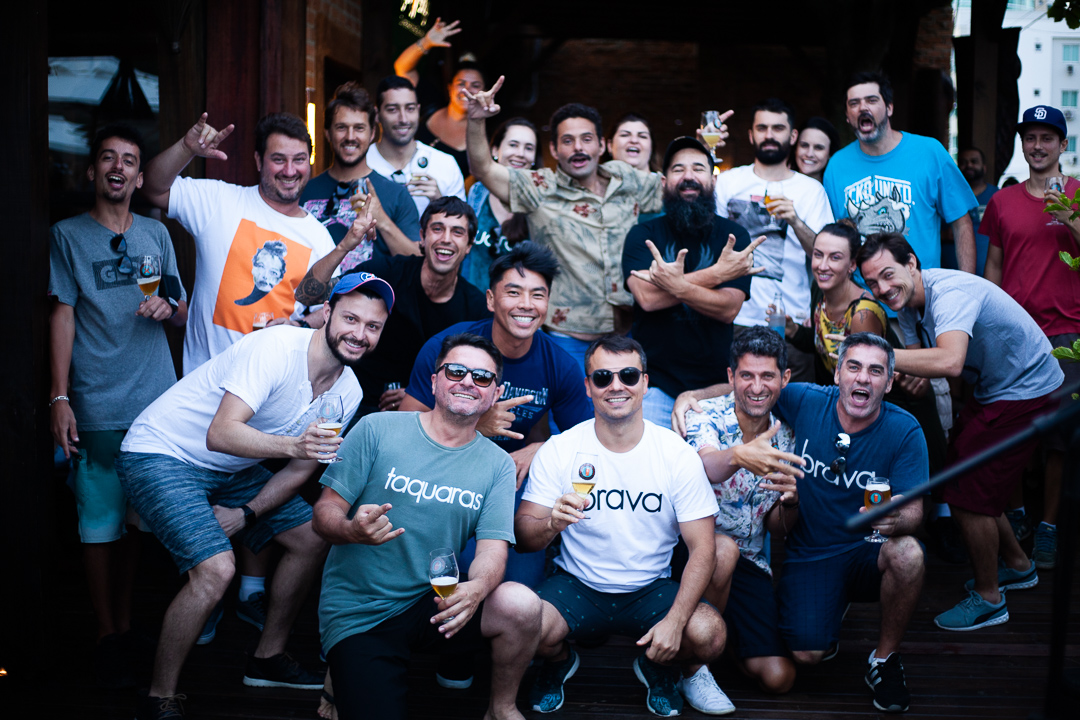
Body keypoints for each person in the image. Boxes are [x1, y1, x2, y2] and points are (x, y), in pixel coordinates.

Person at [117, 272, 393, 720]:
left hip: (230, 469)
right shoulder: (275, 349)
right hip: (161, 452)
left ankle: (267, 658)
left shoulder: (350, 391)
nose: (359, 334)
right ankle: (159, 696)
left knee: (312, 537)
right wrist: (292, 446)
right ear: (327, 313)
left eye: (372, 326)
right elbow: (221, 433)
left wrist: (246, 513)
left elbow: (301, 469)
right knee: (217, 570)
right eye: (351, 318)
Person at [674, 332, 929, 714]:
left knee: (908, 553)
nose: (862, 378)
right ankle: (698, 663)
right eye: (854, 367)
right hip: (806, 554)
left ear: (889, 382)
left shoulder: (900, 429)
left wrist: (897, 517)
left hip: (865, 548)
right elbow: (748, 392)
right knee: (805, 651)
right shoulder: (805, 403)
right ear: (837, 374)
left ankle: (884, 659)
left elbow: (915, 512)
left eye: (875, 371)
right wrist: (689, 395)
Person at [313, 332, 543, 720]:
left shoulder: (498, 465)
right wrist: (351, 531)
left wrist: (477, 589)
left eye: (482, 377)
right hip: (365, 608)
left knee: (521, 605)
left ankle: (501, 708)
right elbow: (324, 513)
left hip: (437, 597)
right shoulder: (376, 429)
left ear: (495, 393)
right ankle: (343, 670)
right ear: (434, 381)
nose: (468, 382)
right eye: (455, 371)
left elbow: (491, 550)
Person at [516, 335, 734, 717]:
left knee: (709, 634)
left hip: (650, 588)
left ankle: (658, 665)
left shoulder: (676, 454)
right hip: (577, 584)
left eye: (628, 375)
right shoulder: (562, 448)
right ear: (588, 386)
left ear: (645, 383)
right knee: (517, 625)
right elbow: (523, 535)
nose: (616, 386)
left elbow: (703, 548)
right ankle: (559, 661)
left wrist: (676, 622)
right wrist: (551, 523)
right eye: (603, 377)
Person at [857, 233, 1063, 631]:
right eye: (872, 283)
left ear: (912, 263)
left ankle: (990, 598)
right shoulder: (908, 308)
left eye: (887, 274)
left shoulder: (949, 293)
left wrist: (878, 355)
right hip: (995, 388)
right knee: (961, 476)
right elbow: (924, 371)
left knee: (967, 495)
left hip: (1028, 387)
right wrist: (907, 377)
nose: (882, 288)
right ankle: (1018, 564)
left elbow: (950, 361)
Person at [49, 123, 188, 688]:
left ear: (138, 175)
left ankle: (125, 626)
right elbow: (61, 313)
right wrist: (60, 396)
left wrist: (167, 309)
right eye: (108, 158)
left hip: (154, 406)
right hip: (96, 400)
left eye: (129, 160)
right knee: (98, 524)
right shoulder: (66, 235)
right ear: (92, 171)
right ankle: (106, 632)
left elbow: (180, 305)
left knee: (135, 525)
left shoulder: (156, 233)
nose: (118, 167)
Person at [465, 78, 664, 370]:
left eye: (586, 139)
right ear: (555, 149)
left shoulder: (627, 179)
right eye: (568, 141)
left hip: (625, 336)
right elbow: (483, 168)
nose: (578, 148)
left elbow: (679, 188)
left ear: (601, 145)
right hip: (566, 340)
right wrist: (475, 120)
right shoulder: (539, 187)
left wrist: (701, 153)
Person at [140, 112, 335, 374]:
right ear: (258, 160)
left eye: (299, 159)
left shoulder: (319, 238)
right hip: (205, 384)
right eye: (278, 159)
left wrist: (299, 326)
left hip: (274, 385)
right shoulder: (219, 201)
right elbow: (151, 187)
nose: (290, 170)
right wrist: (186, 148)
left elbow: (332, 311)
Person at [982, 105, 1080, 570]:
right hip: (1015, 333)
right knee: (1012, 430)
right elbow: (994, 267)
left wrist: (1069, 215)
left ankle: (1049, 526)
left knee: (1061, 438)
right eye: (1030, 138)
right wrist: (985, 325)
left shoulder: (1078, 194)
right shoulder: (1003, 201)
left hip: (1068, 333)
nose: (1037, 146)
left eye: (1047, 138)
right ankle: (1018, 516)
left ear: (1063, 144)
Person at [684, 328, 802, 695]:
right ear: (731, 376)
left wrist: (791, 502)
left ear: (784, 378)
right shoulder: (706, 415)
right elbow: (707, 465)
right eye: (747, 375)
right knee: (723, 551)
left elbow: (776, 528)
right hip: (690, 553)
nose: (757, 387)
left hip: (750, 561)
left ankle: (725, 644)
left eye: (767, 376)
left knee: (780, 677)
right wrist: (739, 455)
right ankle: (693, 668)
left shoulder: (787, 436)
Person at [297, 196, 489, 416]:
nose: (446, 239)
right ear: (422, 237)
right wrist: (345, 245)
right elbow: (307, 295)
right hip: (351, 400)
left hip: (421, 414)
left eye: (457, 232)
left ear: (469, 246)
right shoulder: (389, 272)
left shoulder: (476, 309)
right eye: (437, 229)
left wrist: (420, 393)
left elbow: (477, 374)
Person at [623, 136, 757, 427]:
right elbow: (647, 298)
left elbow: (728, 308)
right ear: (664, 182)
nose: (688, 176)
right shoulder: (642, 234)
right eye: (678, 169)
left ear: (713, 180)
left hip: (715, 387)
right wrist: (717, 274)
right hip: (652, 384)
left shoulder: (734, 236)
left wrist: (672, 285)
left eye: (698, 168)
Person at [713, 97, 835, 382]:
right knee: (732, 400)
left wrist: (795, 220)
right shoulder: (729, 182)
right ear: (751, 135)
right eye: (762, 128)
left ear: (792, 136)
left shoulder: (810, 190)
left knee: (795, 401)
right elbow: (708, 245)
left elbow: (826, 256)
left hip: (788, 321)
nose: (769, 135)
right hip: (734, 318)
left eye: (778, 128)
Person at [822, 71, 977, 274]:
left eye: (871, 100)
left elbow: (961, 222)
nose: (863, 108)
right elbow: (834, 237)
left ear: (889, 108)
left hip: (921, 288)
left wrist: (967, 284)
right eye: (854, 103)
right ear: (847, 116)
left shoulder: (930, 152)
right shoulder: (836, 166)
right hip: (862, 291)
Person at [300, 81, 422, 266]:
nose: (350, 137)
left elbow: (418, 263)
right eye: (341, 127)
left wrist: (382, 221)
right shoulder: (305, 191)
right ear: (327, 133)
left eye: (359, 128)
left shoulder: (397, 195)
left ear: (372, 133)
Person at [365, 75, 466, 217]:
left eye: (410, 109)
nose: (403, 119)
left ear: (418, 110)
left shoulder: (445, 164)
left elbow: (462, 225)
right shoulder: (361, 163)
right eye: (393, 109)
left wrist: (440, 202)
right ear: (376, 114)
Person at [393, 17, 479, 179]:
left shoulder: (485, 135)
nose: (467, 90)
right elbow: (402, 68)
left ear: (486, 91)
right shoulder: (429, 104)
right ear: (450, 87)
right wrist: (426, 42)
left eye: (475, 85)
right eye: (461, 83)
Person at [461, 117, 537, 290]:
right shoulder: (477, 192)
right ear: (495, 150)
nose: (520, 153)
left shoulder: (540, 202)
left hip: (517, 303)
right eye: (513, 145)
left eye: (529, 148)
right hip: (471, 298)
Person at [954, 146, 999, 275]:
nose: (969, 165)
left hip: (989, 273)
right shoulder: (949, 197)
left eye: (974, 161)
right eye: (963, 162)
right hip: (953, 274)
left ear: (984, 167)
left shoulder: (997, 196)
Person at [790, 116, 839, 183]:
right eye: (804, 145)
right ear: (795, 148)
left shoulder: (836, 188)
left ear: (830, 153)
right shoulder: (778, 185)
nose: (809, 154)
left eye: (818, 148)